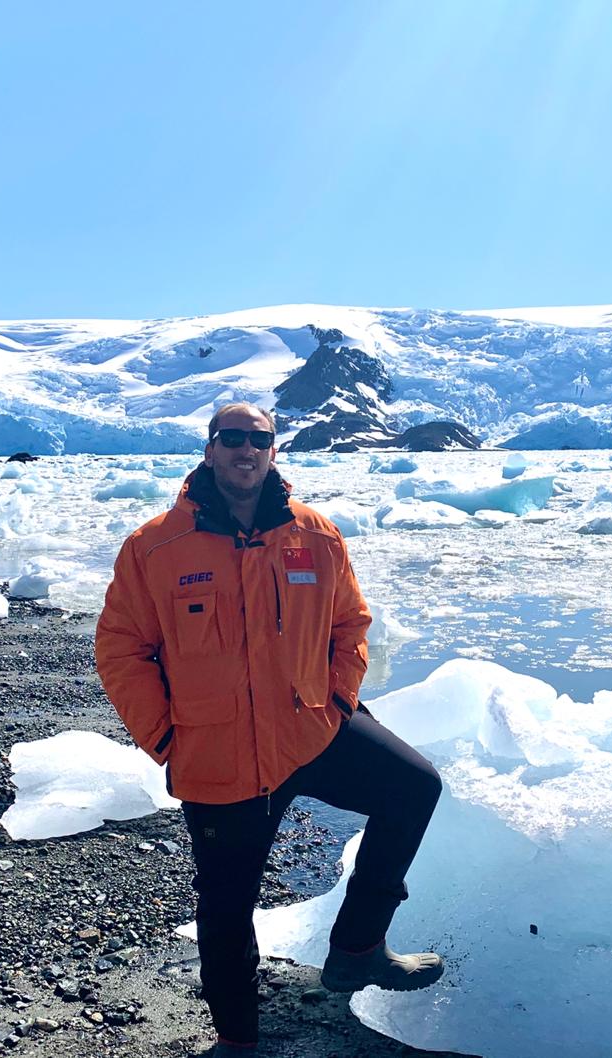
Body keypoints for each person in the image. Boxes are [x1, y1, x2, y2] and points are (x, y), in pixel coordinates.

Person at [95, 402, 444, 1057]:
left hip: (309, 732)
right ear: (210, 449)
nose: (245, 450)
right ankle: (237, 1039)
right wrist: (168, 739)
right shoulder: (158, 547)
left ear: (274, 451)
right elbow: (120, 649)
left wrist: (337, 700)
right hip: (218, 751)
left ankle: (358, 947)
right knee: (227, 905)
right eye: (232, 439)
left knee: (414, 787)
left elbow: (350, 626)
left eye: (259, 440)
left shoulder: (316, 537)